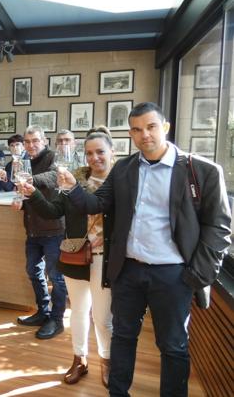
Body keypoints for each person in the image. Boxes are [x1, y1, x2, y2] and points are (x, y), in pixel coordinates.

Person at [59, 102, 231, 396]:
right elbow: (97, 204)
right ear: (131, 134)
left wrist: (198, 274)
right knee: (123, 337)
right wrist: (74, 187)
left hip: (175, 276)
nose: (144, 135)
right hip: (128, 271)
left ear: (165, 127)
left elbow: (219, 228)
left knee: (173, 345)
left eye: (151, 127)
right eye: (137, 130)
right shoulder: (125, 168)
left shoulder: (201, 171)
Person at [21, 126, 114, 387]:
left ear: (111, 153)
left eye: (100, 152)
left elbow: (95, 205)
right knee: (79, 312)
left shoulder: (117, 183)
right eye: (89, 153)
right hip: (75, 255)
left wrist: (72, 187)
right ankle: (79, 359)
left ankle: (106, 361)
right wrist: (33, 194)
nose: (94, 158)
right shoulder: (77, 178)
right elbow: (53, 211)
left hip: (105, 259)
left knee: (103, 317)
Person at [14, 125, 67, 339]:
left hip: (54, 229)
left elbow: (54, 177)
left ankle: (57, 319)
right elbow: (26, 193)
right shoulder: (25, 161)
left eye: (35, 140)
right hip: (33, 229)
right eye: (27, 142)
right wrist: (19, 199)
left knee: (57, 277)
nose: (31, 145)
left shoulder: (54, 157)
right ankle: (43, 312)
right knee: (33, 271)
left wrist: (29, 181)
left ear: (44, 141)